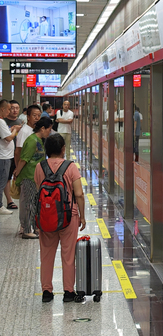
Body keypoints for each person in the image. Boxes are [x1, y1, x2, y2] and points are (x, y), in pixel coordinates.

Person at [35, 134, 86, 303]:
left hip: (46, 217)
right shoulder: (70, 167)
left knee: (46, 255)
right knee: (68, 255)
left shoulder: (39, 167)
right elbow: (78, 194)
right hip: (68, 216)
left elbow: (39, 193)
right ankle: (68, 292)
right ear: (63, 149)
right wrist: (82, 216)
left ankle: (47, 292)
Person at [14, 117, 53, 239]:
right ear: (42, 128)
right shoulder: (31, 140)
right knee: (28, 204)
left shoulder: (39, 140)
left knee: (34, 203)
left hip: (36, 177)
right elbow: (24, 159)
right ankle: (26, 230)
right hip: (28, 176)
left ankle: (34, 226)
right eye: (49, 129)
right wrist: (17, 172)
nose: (50, 132)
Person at [16, 104, 41, 234]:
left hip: (33, 173)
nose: (37, 118)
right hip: (26, 172)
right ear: (28, 117)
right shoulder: (25, 131)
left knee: (31, 201)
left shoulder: (33, 131)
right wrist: (17, 170)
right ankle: (24, 227)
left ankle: (29, 225)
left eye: (39, 116)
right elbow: (19, 152)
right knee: (26, 201)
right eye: (34, 115)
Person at [0, 100, 21, 215]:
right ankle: (0, 206)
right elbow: (8, 138)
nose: (10, 111)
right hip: (3, 156)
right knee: (3, 181)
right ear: (3, 109)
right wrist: (15, 131)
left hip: (6, 155)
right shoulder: (1, 121)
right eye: (8, 109)